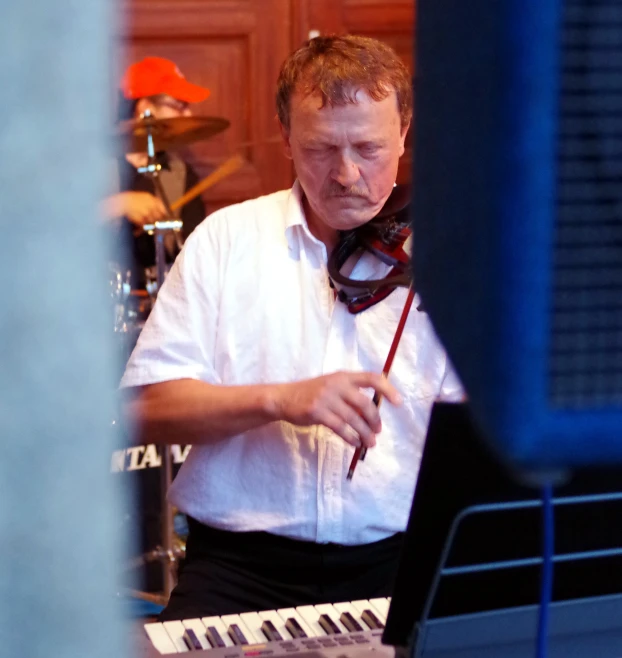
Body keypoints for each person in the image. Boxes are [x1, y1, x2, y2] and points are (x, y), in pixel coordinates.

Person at [120, 35, 463, 621]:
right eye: (321, 149)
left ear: (405, 132)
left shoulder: (448, 255)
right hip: (237, 570)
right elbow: (148, 409)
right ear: (286, 138)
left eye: (369, 147)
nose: (346, 173)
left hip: (402, 563)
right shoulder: (226, 240)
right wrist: (282, 398)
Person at [102, 56, 209, 289]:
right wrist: (118, 205)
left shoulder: (179, 173)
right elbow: (51, 232)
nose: (189, 116)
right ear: (145, 109)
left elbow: (193, 253)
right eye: (179, 105)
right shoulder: (91, 166)